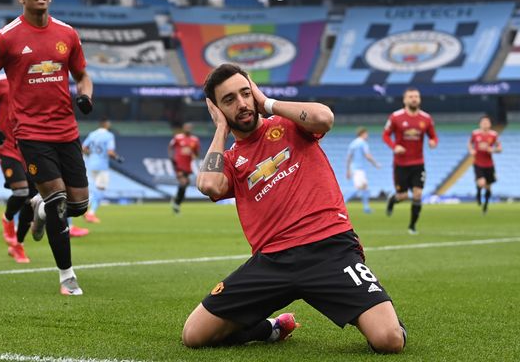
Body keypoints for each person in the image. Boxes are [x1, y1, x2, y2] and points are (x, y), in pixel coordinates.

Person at [182, 63, 405, 354]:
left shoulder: (289, 125)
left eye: (245, 93)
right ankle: (271, 329)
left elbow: (324, 118)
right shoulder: (231, 159)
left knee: (389, 340)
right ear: (217, 109)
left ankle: (383, 314)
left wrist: (268, 103)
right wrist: (221, 129)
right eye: (229, 100)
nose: (242, 104)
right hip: (272, 262)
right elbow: (209, 185)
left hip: (330, 250)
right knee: (194, 335)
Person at [0, 0, 93, 295]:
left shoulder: (67, 34)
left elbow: (83, 75)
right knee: (58, 201)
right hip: (30, 133)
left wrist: (85, 95)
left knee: (79, 205)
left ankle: (38, 207)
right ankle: (67, 276)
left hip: (67, 131)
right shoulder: (6, 38)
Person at [0, 72, 36, 263]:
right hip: (8, 147)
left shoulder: (36, 78)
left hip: (31, 148)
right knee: (21, 191)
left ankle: (18, 246)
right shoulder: (0, 82)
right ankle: (7, 219)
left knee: (32, 200)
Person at [382, 88, 438, 234]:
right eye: (411, 96)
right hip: (401, 164)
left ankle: (412, 226)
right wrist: (395, 147)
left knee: (418, 194)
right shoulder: (395, 117)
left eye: (416, 96)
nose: (414, 99)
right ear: (405, 100)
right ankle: (393, 200)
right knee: (403, 196)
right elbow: (386, 135)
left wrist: (433, 141)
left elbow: (433, 136)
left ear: (419, 99)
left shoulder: (426, 118)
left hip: (418, 163)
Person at [82, 118, 123, 224]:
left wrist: (91, 154)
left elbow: (84, 148)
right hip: (102, 166)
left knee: (95, 188)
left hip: (92, 164)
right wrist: (118, 158)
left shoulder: (92, 134)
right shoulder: (109, 135)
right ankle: (90, 213)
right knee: (101, 189)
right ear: (106, 124)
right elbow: (110, 152)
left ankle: (86, 210)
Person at [468, 115, 502, 214]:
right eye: (483, 122)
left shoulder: (494, 135)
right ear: (480, 124)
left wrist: (493, 149)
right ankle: (478, 193)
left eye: (487, 122)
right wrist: (471, 150)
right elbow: (470, 144)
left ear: (490, 124)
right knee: (481, 182)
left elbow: (500, 148)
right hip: (478, 163)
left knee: (488, 187)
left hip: (489, 165)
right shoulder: (475, 134)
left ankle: (485, 206)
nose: (485, 124)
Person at [345, 127, 381, 213]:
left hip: (354, 168)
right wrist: (375, 164)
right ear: (362, 134)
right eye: (366, 134)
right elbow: (367, 156)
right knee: (359, 188)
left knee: (365, 187)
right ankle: (343, 201)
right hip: (358, 169)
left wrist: (348, 170)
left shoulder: (353, 143)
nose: (367, 136)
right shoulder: (363, 143)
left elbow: (349, 157)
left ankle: (366, 208)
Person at [168, 122, 200, 214]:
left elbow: (197, 152)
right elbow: (170, 147)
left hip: (187, 165)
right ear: (183, 128)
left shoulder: (194, 140)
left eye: (190, 127)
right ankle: (176, 203)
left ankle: (176, 201)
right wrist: (171, 158)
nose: (188, 129)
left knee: (185, 184)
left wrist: (194, 155)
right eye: (187, 127)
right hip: (178, 164)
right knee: (183, 182)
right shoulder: (178, 137)